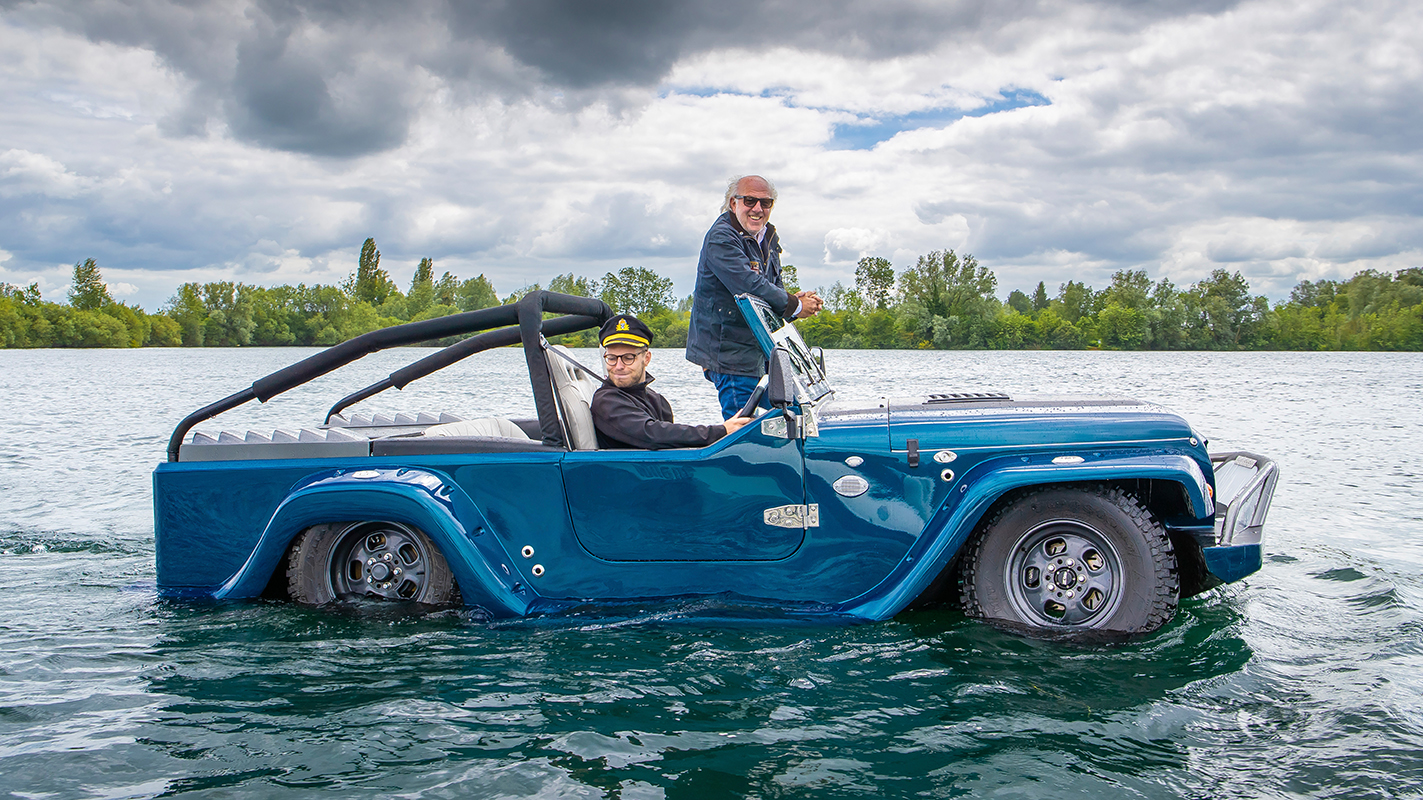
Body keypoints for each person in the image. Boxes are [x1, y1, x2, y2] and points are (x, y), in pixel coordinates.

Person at [686, 174, 822, 419]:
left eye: (766, 203)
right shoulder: (722, 237)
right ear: (733, 203)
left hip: (762, 355)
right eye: (750, 201)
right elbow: (748, 285)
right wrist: (794, 305)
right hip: (732, 357)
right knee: (746, 431)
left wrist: (794, 302)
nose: (758, 209)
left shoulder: (768, 238)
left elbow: (769, 290)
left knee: (787, 420)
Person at [591, 314, 753, 450]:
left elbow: (671, 443)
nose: (618, 366)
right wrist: (722, 431)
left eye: (628, 358)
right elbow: (652, 434)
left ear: (646, 358)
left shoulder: (656, 400)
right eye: (612, 358)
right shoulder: (606, 401)